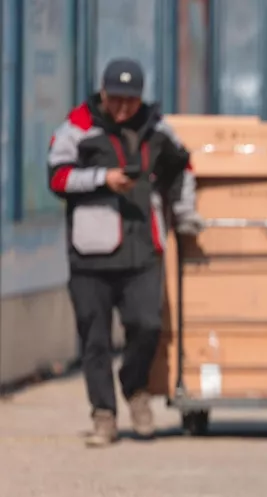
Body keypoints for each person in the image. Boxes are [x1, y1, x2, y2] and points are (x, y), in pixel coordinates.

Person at [47, 58, 201, 447]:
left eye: (130, 102)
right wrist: (103, 179)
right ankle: (104, 415)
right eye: (116, 99)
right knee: (94, 338)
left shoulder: (158, 127)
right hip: (90, 253)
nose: (122, 108)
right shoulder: (77, 127)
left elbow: (183, 168)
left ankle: (134, 389)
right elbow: (57, 176)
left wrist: (185, 217)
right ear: (103, 92)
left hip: (143, 250)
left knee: (148, 326)